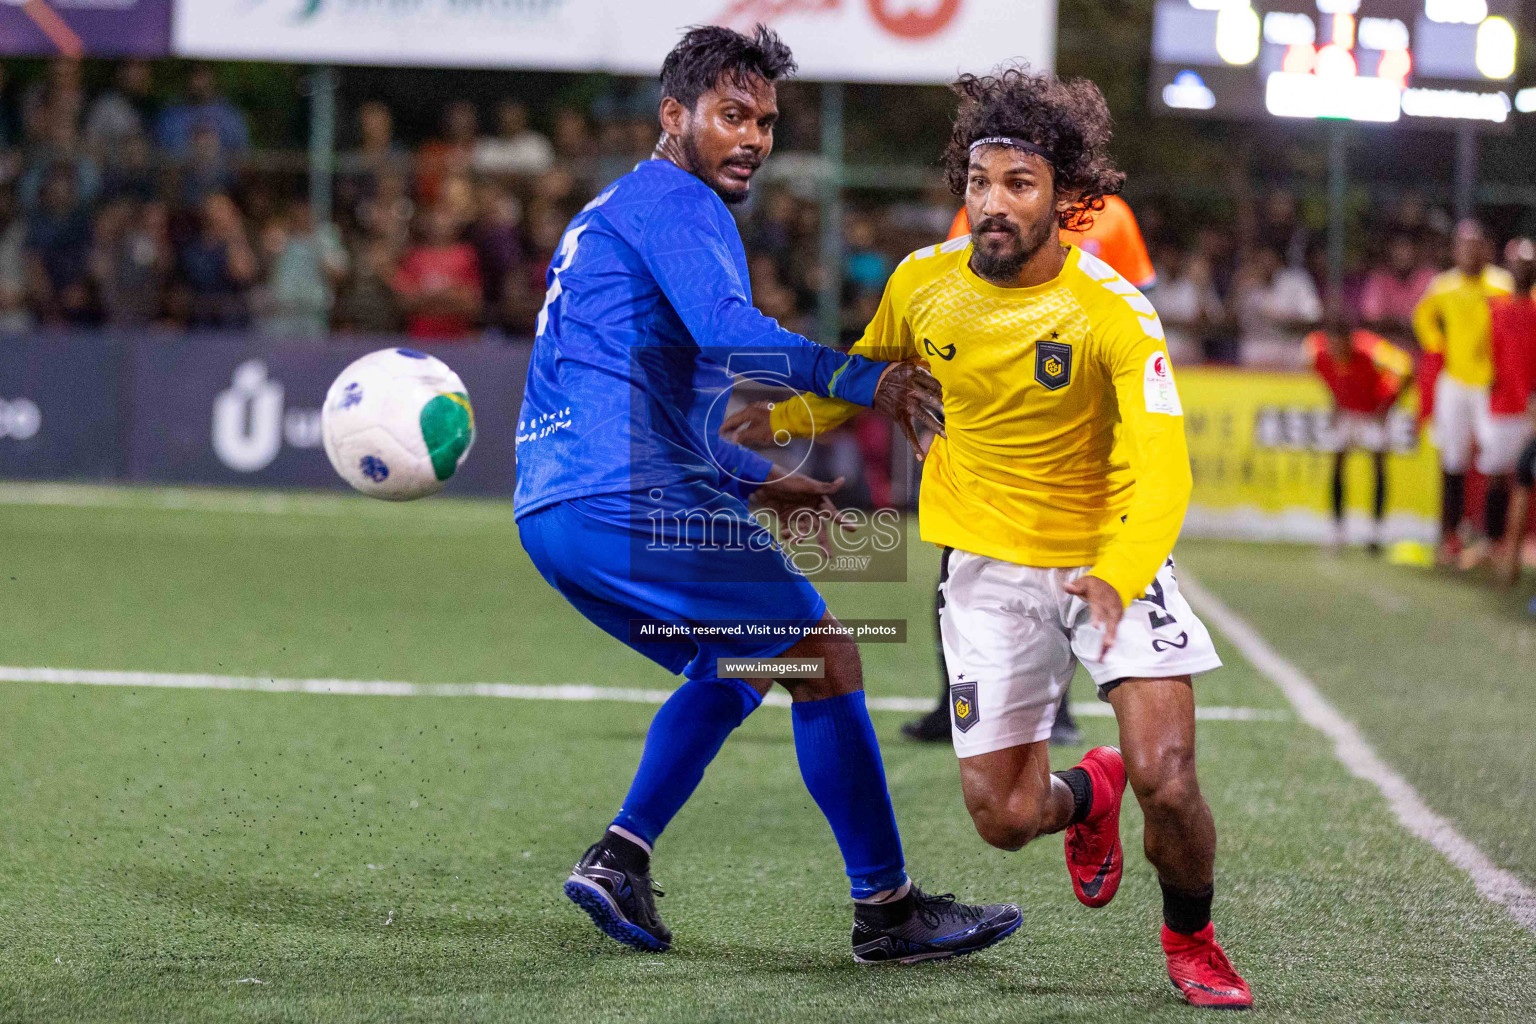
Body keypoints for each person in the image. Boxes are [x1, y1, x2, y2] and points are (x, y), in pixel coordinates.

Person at [725, 65, 1251, 1008]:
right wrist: (779, 420)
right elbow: (868, 379)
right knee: (1005, 821)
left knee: (1168, 781)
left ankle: (1192, 939)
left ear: (1066, 199)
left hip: (1107, 559)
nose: (992, 205)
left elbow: (1166, 470)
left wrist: (1122, 572)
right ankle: (1088, 793)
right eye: (979, 183)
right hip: (988, 573)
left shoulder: (1113, 311)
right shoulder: (924, 284)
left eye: (1018, 184)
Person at [515, 25, 1020, 963]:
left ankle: (620, 855)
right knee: (824, 651)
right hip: (629, 497)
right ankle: (888, 909)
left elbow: (650, 392)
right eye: (732, 115)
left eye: (765, 121)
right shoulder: (677, 199)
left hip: (554, 509)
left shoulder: (610, 211)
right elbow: (724, 332)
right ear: (676, 116)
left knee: (751, 663)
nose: (751, 137)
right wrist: (869, 381)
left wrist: (761, 480)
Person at [906, 173, 1158, 748]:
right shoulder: (984, 213)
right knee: (959, 567)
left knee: (1066, 572)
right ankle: (954, 700)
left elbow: (1143, 307)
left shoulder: (1113, 216)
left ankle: (1056, 708)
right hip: (993, 427)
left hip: (1079, 431)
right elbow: (952, 297)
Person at [1413, 220, 1515, 566]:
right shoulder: (1443, 286)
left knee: (1498, 461)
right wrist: (1437, 345)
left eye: (1476, 244)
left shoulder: (1502, 286)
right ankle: (1449, 538)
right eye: (1463, 244)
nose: (1470, 251)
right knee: (1452, 459)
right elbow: (1422, 318)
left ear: (1487, 248)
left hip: (1491, 385)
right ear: (1456, 249)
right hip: (1454, 383)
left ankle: (1493, 541)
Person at [1305, 312, 1412, 553]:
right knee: (1337, 463)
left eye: (1339, 342)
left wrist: (1387, 406)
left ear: (1349, 340)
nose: (1335, 348)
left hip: (1371, 413)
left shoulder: (1371, 350)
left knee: (1378, 466)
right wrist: (1335, 402)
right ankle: (1337, 530)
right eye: (1331, 342)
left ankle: (1376, 531)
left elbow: (1405, 369)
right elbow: (1329, 379)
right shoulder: (1318, 354)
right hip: (1345, 413)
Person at [1489, 239, 1536, 581]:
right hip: (1510, 406)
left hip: (1529, 409)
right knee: (1513, 474)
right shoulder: (1497, 308)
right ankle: (1505, 558)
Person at [391, 205, 482, 341]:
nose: (441, 223)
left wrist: (430, 298)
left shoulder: (466, 255)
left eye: (446, 217)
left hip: (457, 340)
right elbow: (406, 302)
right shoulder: (415, 256)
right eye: (437, 217)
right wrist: (449, 295)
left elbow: (472, 303)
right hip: (420, 338)